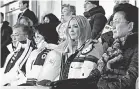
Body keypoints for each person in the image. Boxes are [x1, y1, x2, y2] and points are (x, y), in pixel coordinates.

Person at [37, 16, 104, 88]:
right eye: (69, 27)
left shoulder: (93, 47)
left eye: (75, 26)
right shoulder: (73, 49)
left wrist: (58, 84)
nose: (71, 30)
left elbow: (86, 81)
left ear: (83, 28)